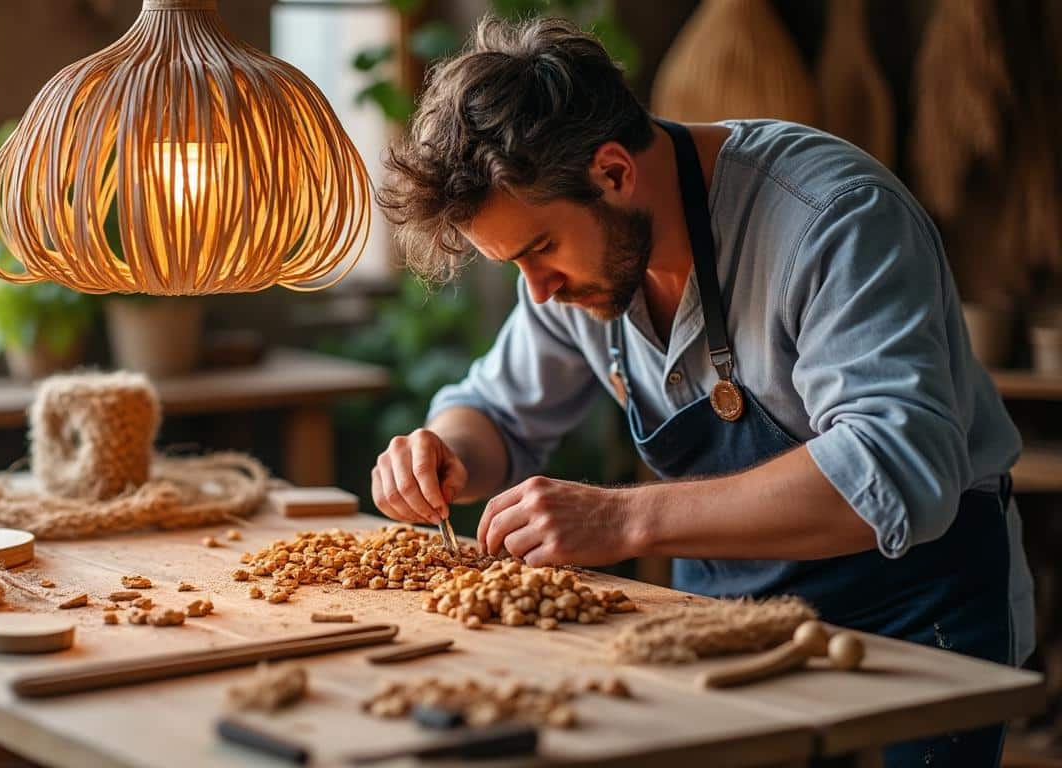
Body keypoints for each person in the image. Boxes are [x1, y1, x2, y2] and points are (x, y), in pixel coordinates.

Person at [371, 15, 1033, 766]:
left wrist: (624, 519)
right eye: (516, 265)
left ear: (613, 172)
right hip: (723, 620)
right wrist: (444, 451)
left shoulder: (832, 219)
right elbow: (493, 412)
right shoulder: (577, 271)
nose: (541, 291)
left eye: (541, 250)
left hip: (913, 616)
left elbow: (894, 467)